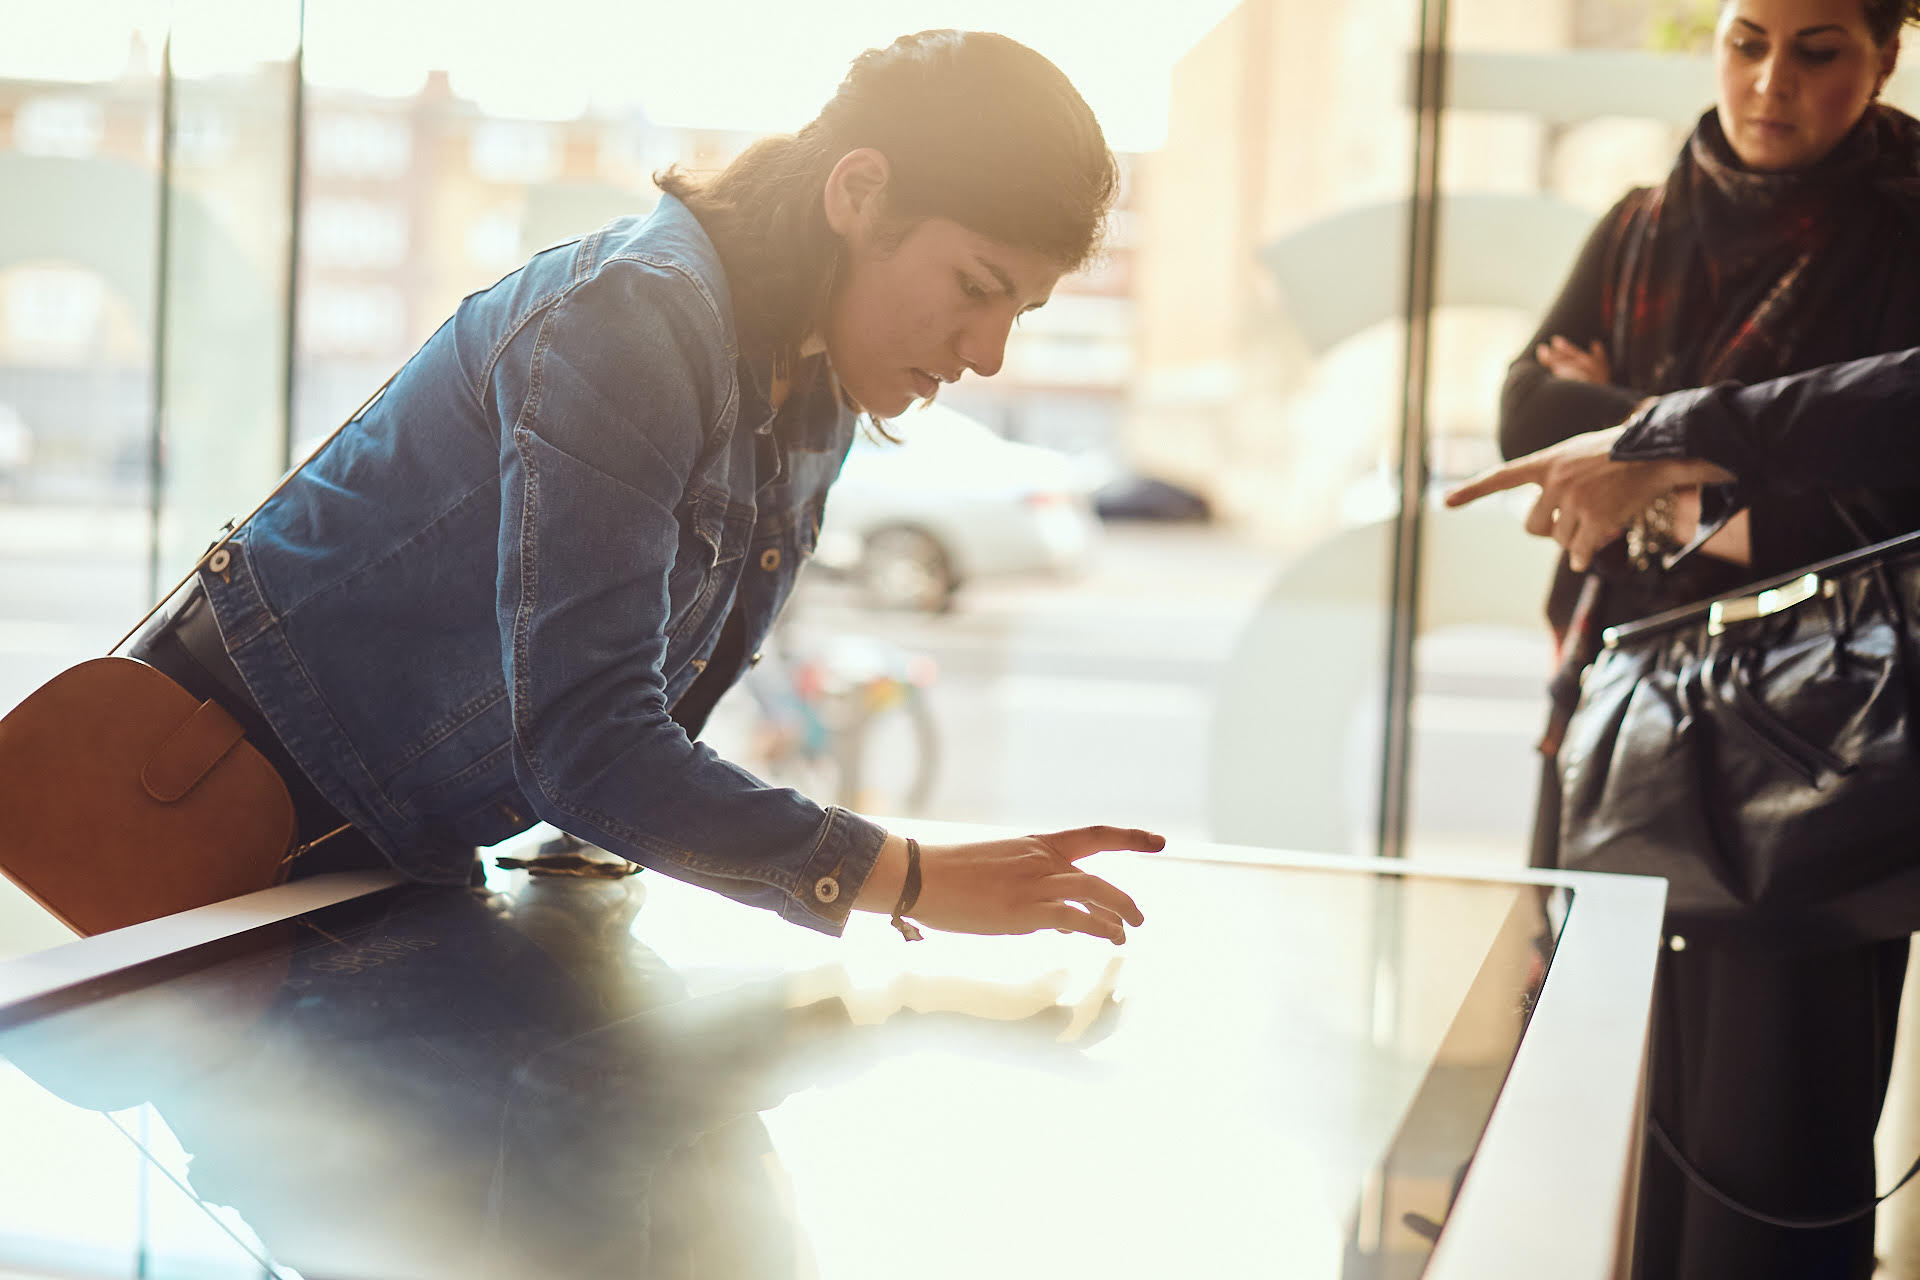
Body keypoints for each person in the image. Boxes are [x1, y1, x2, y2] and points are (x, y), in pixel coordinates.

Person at [125, 30, 1158, 949]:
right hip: (203, 804)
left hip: (384, 863)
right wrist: (908, 876)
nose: (987, 352)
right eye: (977, 287)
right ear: (857, 193)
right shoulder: (632, 318)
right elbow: (591, 742)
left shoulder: (815, 398)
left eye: (1018, 309)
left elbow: (655, 714)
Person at [1452, 2, 1920, 1274]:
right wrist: (1718, 475)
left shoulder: (1905, 222)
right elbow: (1530, 408)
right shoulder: (1644, 221)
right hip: (1625, 714)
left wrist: (1646, 474)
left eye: (1818, 50)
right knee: (1601, 1098)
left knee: (1772, 1139)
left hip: (1828, 746)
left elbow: (1886, 501)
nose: (1769, 81)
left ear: (1885, 54)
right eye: (1745, 38)